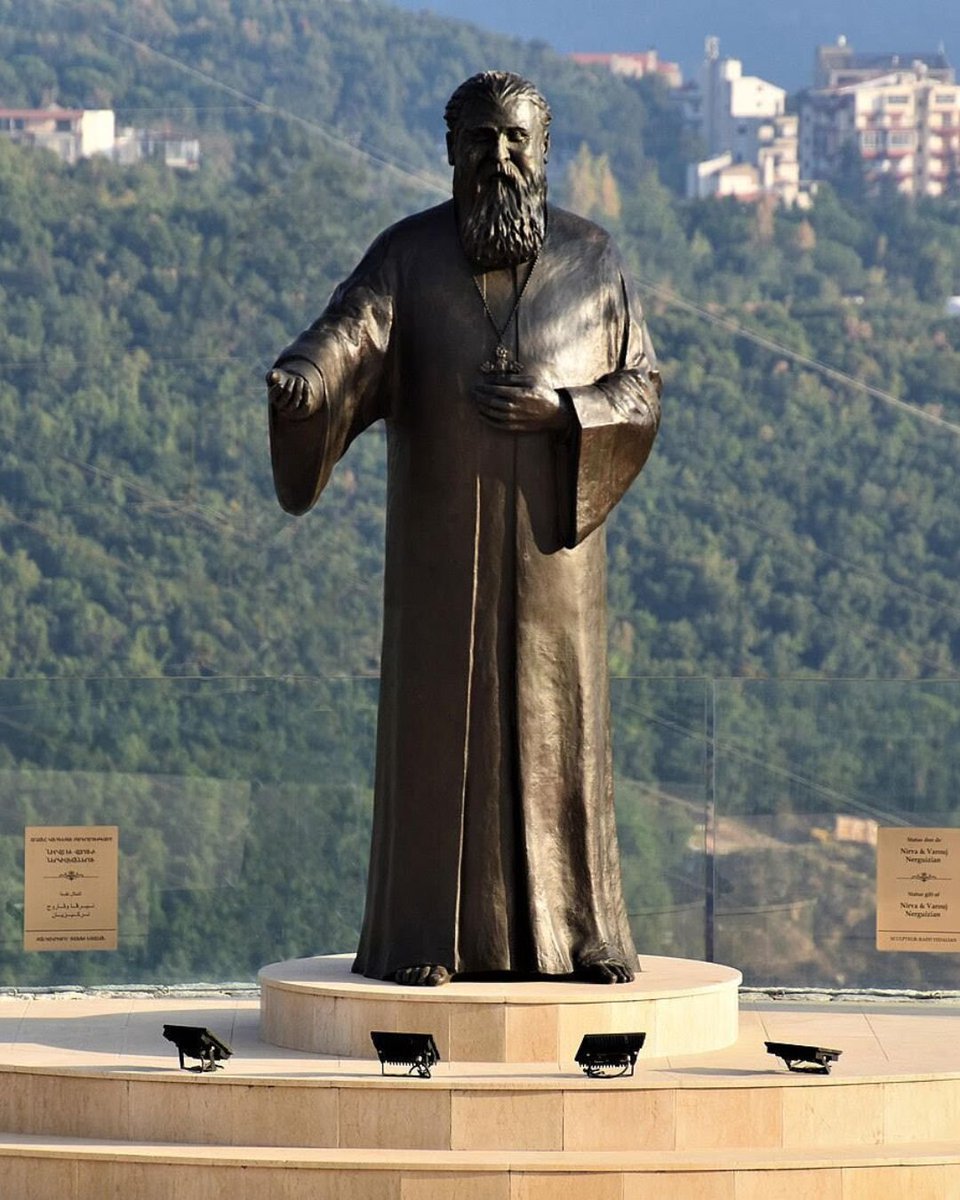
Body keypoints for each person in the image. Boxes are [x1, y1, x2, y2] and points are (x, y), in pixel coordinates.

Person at [267, 71, 661, 987]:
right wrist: (305, 384)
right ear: (450, 151)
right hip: (439, 552)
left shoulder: (594, 261)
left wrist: (564, 410)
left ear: (544, 152)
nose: (498, 156)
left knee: (556, 727)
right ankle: (422, 938)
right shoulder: (406, 258)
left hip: (553, 561)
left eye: (516, 139)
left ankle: (580, 932)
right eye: (480, 139)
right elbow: (348, 336)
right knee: (437, 729)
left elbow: (640, 390)